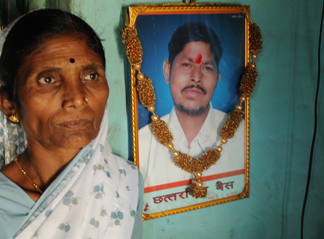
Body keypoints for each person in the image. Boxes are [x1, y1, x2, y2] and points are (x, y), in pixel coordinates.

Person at [0, 9, 143, 239]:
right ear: (9, 103)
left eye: (91, 76)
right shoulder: (4, 206)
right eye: (48, 79)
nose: (77, 98)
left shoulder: (124, 182)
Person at [139, 22, 245, 191]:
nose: (196, 78)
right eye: (187, 65)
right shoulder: (143, 143)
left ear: (217, 79)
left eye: (207, 67)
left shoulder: (242, 135)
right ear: (167, 71)